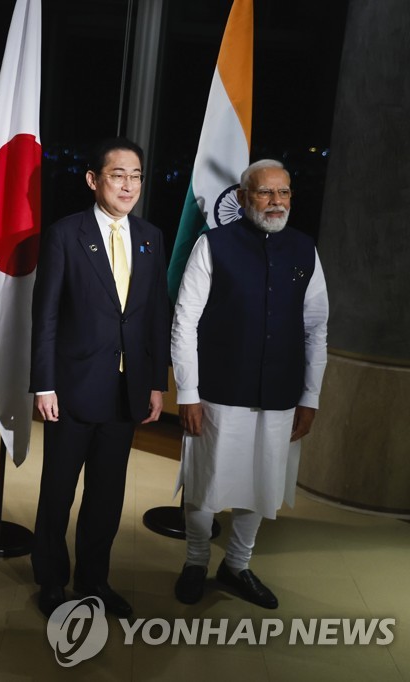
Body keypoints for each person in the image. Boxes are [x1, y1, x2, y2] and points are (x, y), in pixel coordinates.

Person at [171, 159, 328, 609]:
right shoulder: (213, 245)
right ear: (242, 198)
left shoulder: (305, 249)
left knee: (262, 482)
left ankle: (237, 564)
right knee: (205, 484)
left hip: (280, 393)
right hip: (217, 392)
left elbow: (317, 327)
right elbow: (185, 323)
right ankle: (196, 562)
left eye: (284, 192)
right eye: (265, 193)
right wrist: (188, 392)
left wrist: (311, 396)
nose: (276, 202)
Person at [30, 137, 169, 619]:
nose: (128, 185)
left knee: (107, 497)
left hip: (125, 392)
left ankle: (94, 580)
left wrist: (156, 383)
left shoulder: (151, 237)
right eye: (118, 174)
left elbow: (155, 317)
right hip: (70, 388)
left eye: (136, 176)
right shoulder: (66, 235)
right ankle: (50, 581)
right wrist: (43, 383)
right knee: (58, 492)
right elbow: (45, 315)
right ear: (94, 180)